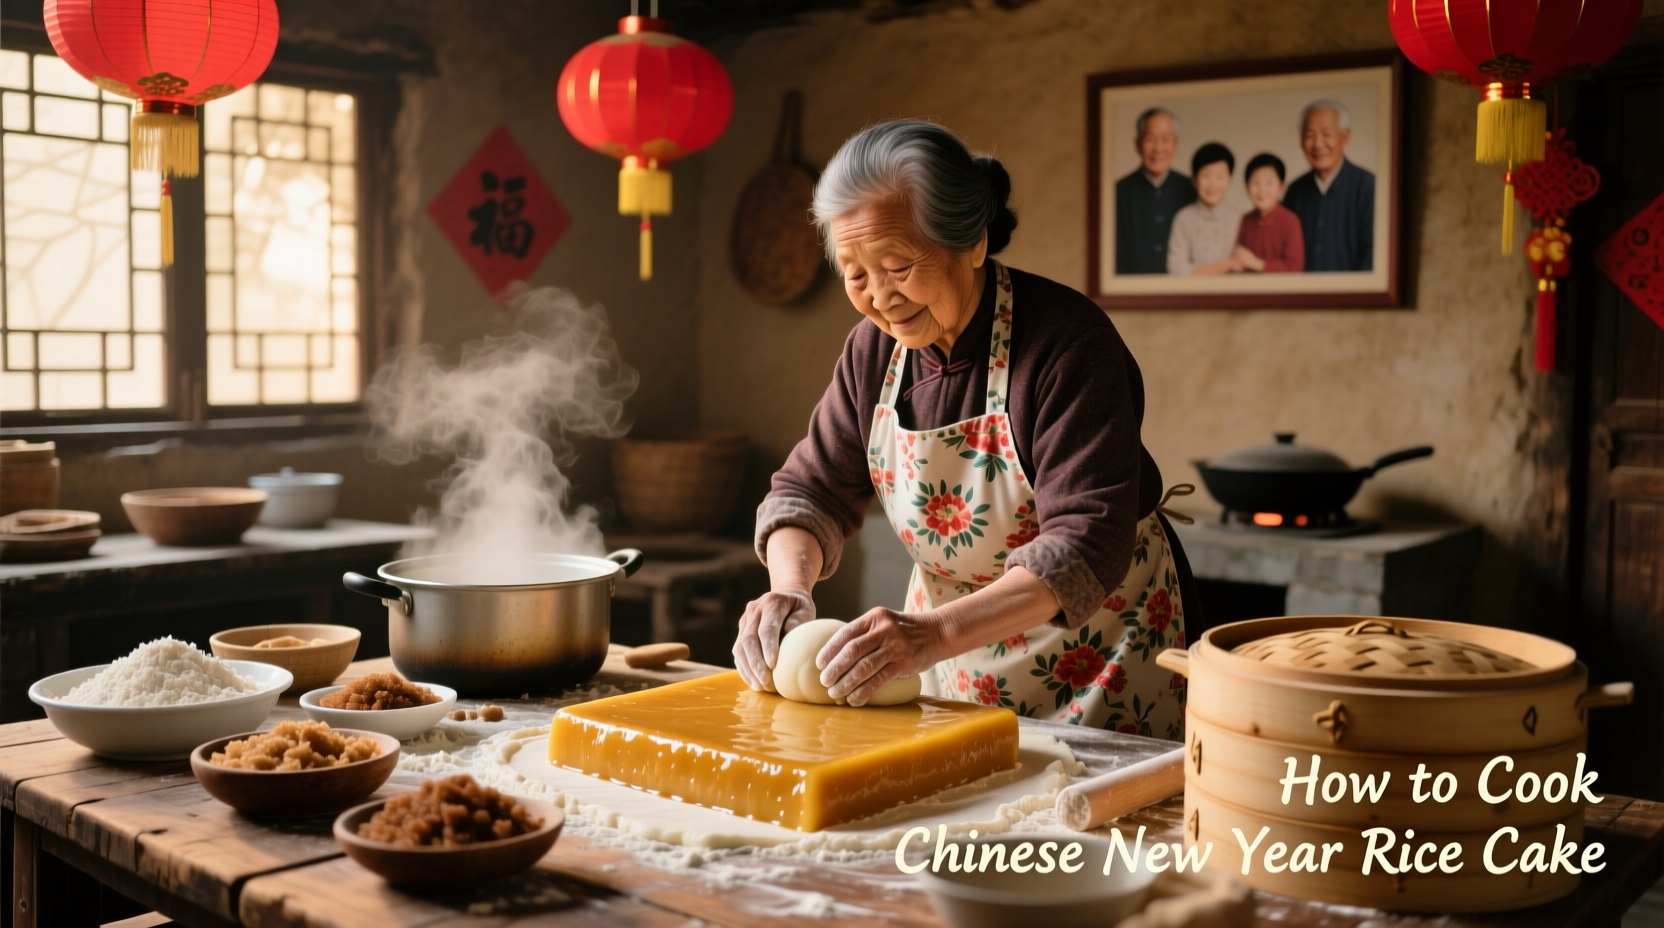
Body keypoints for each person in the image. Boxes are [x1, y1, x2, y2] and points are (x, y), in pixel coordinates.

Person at [732, 120, 1201, 736]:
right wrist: (790, 589)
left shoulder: (1068, 344)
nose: (880, 297)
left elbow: (1087, 539)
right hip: (950, 658)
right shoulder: (873, 353)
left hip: (1104, 652)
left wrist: (932, 633)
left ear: (973, 242)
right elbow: (809, 490)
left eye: (898, 265)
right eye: (855, 274)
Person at [1282, 100, 1374, 272]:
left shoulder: (1368, 186)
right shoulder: (1294, 191)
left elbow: (1375, 255)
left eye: (1326, 133)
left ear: (1345, 137)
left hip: (1354, 297)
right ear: (1301, 141)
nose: (1317, 144)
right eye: (1309, 135)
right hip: (1302, 297)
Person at [1114, 108, 1196, 275]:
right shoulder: (1119, 191)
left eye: (1166, 139)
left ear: (1175, 144)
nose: (1158, 148)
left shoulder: (1192, 188)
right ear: (1137, 144)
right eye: (1150, 138)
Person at [1166, 143, 1241, 276]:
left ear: (1229, 180)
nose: (1213, 183)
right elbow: (1175, 268)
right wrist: (1222, 267)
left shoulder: (1238, 219)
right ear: (1194, 180)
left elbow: (1241, 267)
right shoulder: (1183, 218)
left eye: (1220, 177)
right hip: (1191, 294)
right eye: (1206, 176)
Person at [1232, 152, 1305, 273]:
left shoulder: (1290, 221)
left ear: (1282, 187)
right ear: (1247, 187)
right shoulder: (1244, 220)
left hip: (1281, 290)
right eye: (1255, 183)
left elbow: (1295, 266)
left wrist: (1258, 264)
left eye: (1269, 183)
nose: (1262, 190)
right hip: (1250, 290)